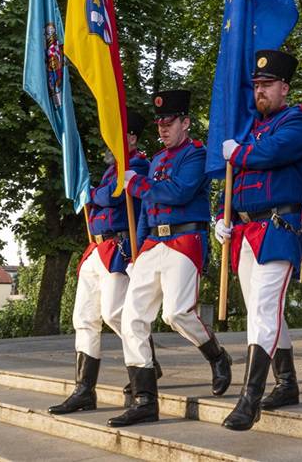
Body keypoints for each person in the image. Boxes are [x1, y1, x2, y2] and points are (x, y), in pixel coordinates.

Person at [109, 90, 232, 427]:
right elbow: (149, 209)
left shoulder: (197, 155)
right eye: (160, 123)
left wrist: (137, 186)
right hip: (153, 243)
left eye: (170, 122)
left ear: (185, 122)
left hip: (185, 238)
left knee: (177, 313)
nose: (163, 128)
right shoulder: (158, 160)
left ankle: (217, 356)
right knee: (131, 316)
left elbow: (178, 193)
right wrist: (139, 249)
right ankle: (145, 399)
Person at [214, 50, 302, 431]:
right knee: (261, 309)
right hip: (246, 230)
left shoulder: (297, 122)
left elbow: (272, 153)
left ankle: (249, 398)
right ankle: (287, 382)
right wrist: (222, 219)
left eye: (267, 84)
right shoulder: (251, 128)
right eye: (256, 85)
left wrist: (239, 153)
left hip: (278, 227)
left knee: (263, 310)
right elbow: (237, 181)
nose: (260, 91)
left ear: (284, 88)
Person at [49, 113, 152, 416]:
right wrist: (93, 193)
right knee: (83, 318)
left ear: (131, 139)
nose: (107, 144)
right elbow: (102, 197)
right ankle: (84, 390)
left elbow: (113, 196)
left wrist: (91, 193)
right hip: (96, 247)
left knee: (114, 314)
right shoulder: (110, 171)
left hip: (117, 247)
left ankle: (146, 360)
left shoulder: (139, 166)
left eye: (115, 137)